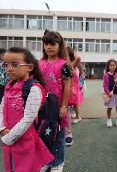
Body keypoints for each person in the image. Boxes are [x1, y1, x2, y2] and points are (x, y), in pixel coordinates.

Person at [0, 47, 54, 172]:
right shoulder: (10, 85)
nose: (9, 68)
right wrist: (1, 128)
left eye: (15, 64)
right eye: (6, 64)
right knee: (12, 166)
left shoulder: (34, 89)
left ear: (30, 67)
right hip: (10, 138)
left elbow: (28, 118)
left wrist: (10, 137)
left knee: (26, 167)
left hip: (25, 140)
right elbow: (1, 109)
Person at [39, 30, 73, 172]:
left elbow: (67, 87)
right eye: (46, 43)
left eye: (52, 44)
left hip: (58, 105)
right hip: (42, 106)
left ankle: (58, 162)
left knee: (57, 135)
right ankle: (47, 160)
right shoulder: (39, 63)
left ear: (60, 46)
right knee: (43, 133)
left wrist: (64, 106)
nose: (49, 47)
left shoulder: (64, 65)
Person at [103, 59, 117, 127]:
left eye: (113, 65)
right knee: (109, 107)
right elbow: (105, 85)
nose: (112, 66)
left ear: (116, 66)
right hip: (110, 95)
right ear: (108, 66)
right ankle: (109, 120)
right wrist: (108, 93)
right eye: (110, 65)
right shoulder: (106, 75)